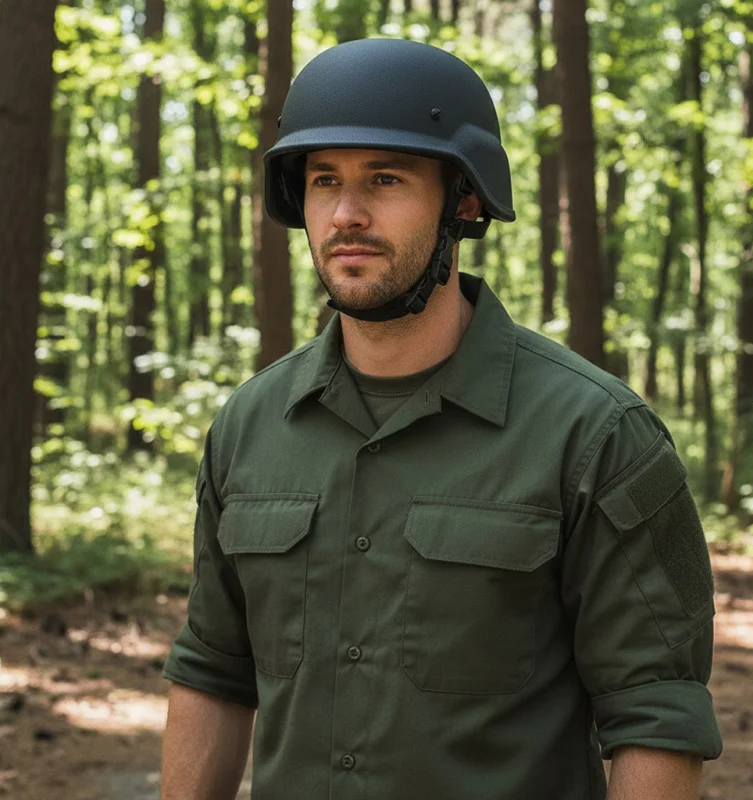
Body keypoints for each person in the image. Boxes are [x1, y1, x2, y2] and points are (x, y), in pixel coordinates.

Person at [160, 38, 722, 800]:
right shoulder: (250, 426)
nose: (346, 213)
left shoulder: (596, 436)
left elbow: (657, 719)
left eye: (384, 179)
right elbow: (212, 672)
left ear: (462, 199)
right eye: (325, 180)